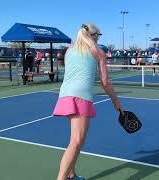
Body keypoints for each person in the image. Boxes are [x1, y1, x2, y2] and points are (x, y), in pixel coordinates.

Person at [52, 23, 123, 180]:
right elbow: (105, 82)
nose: (99, 37)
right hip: (81, 97)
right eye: (99, 35)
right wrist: (115, 100)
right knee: (76, 142)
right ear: (94, 35)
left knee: (76, 141)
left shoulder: (69, 50)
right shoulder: (98, 51)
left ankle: (71, 174)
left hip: (64, 95)